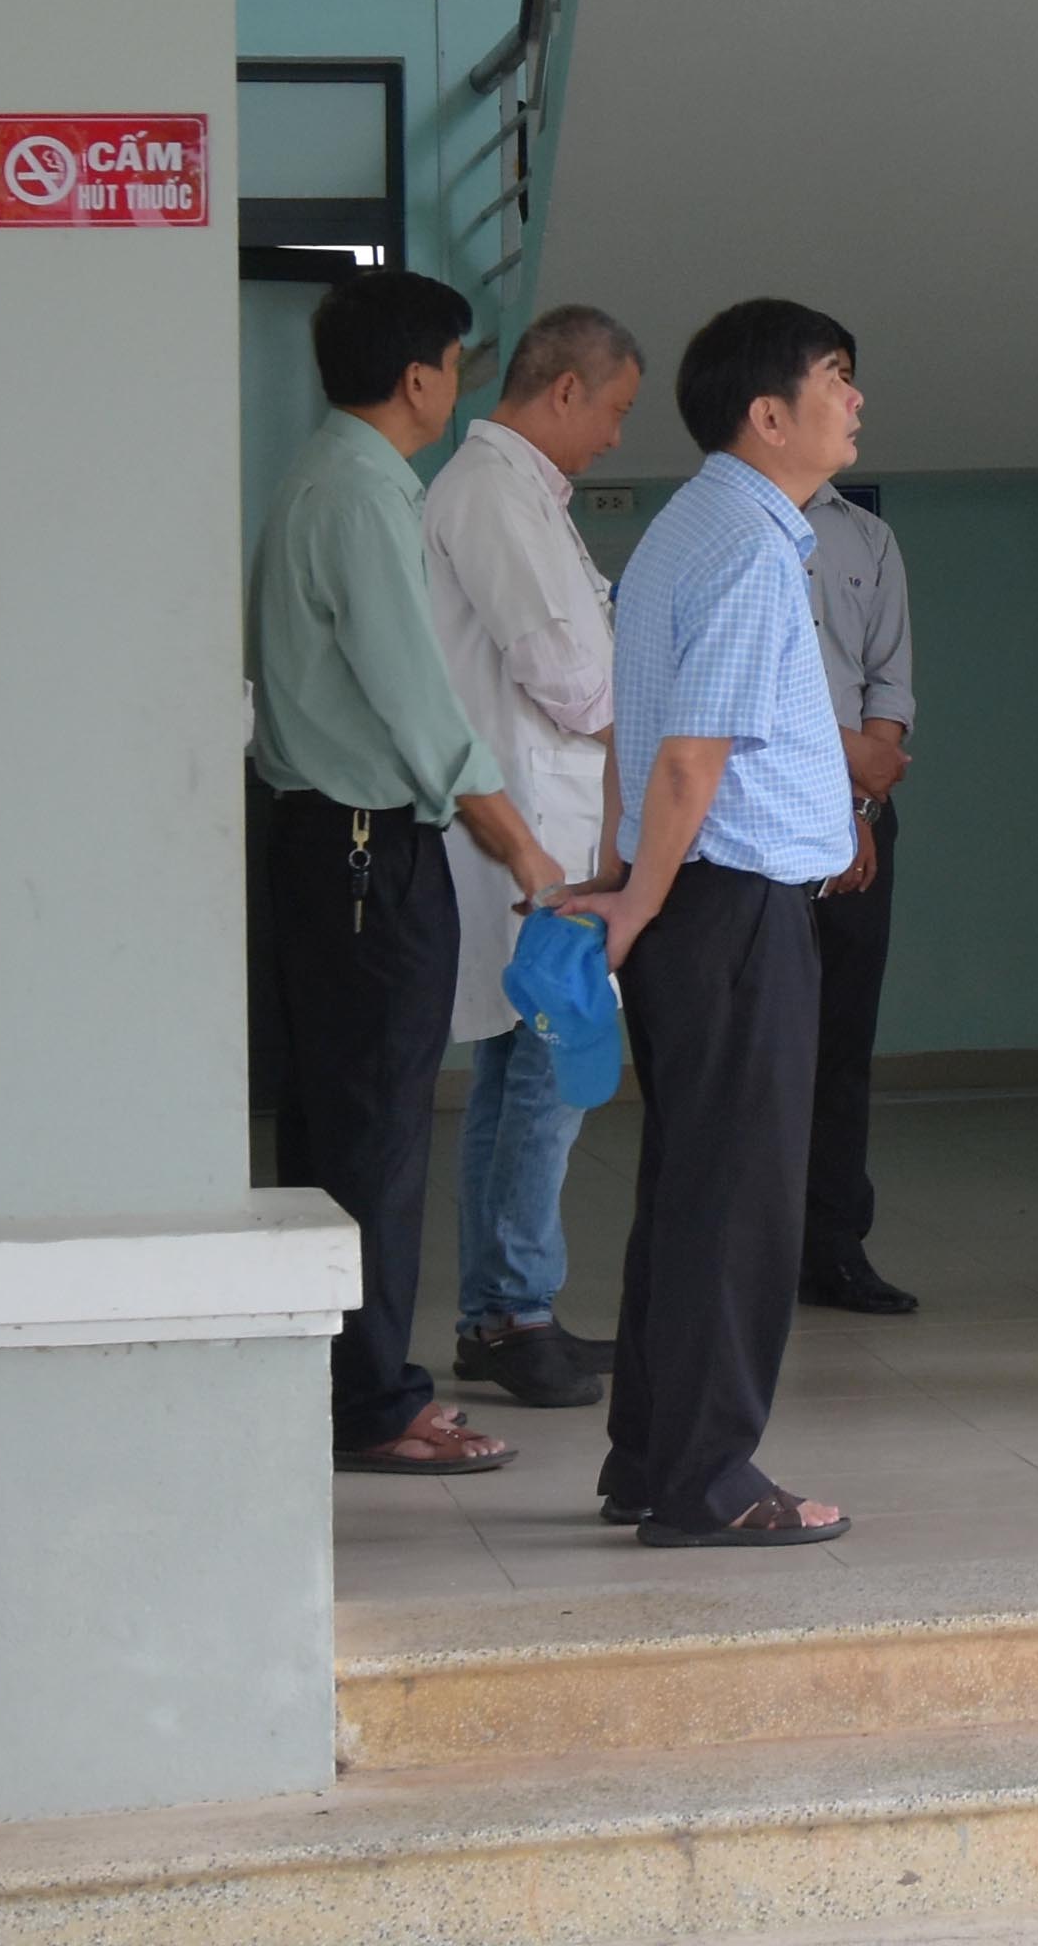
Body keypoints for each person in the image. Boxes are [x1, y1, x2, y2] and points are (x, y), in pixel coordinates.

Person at [247, 265, 585, 1479]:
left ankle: (337, 1379)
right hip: (360, 847)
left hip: (327, 841)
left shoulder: (331, 475)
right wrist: (522, 842)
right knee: (374, 1136)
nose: (459, 383)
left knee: (340, 1127)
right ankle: (375, 1403)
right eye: (455, 362)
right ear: (417, 378)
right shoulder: (359, 494)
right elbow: (416, 698)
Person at [577, 298, 870, 1548]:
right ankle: (709, 1480)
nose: (855, 400)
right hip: (733, 907)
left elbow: (633, 729)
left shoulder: (687, 524)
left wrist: (629, 876)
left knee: (690, 1189)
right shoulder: (750, 547)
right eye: (836, 377)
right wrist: (636, 898)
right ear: (769, 414)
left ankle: (652, 1458)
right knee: (740, 1203)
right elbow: (691, 755)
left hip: (697, 900)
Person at [421, 302, 645, 1410]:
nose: (615, 436)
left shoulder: (516, 491)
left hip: (541, 825)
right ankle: (514, 1311)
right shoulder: (493, 493)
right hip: (531, 838)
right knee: (549, 1071)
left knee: (518, 1073)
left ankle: (498, 1309)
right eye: (613, 409)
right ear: (565, 389)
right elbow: (568, 673)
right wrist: (651, 730)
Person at [799, 475, 920, 1315]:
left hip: (857, 820)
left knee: (840, 1045)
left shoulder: (867, 537)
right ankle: (748, 1247)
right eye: (835, 406)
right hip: (755, 823)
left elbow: (888, 682)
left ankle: (834, 1246)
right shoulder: (722, 525)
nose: (851, 414)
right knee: (753, 1049)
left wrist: (859, 808)